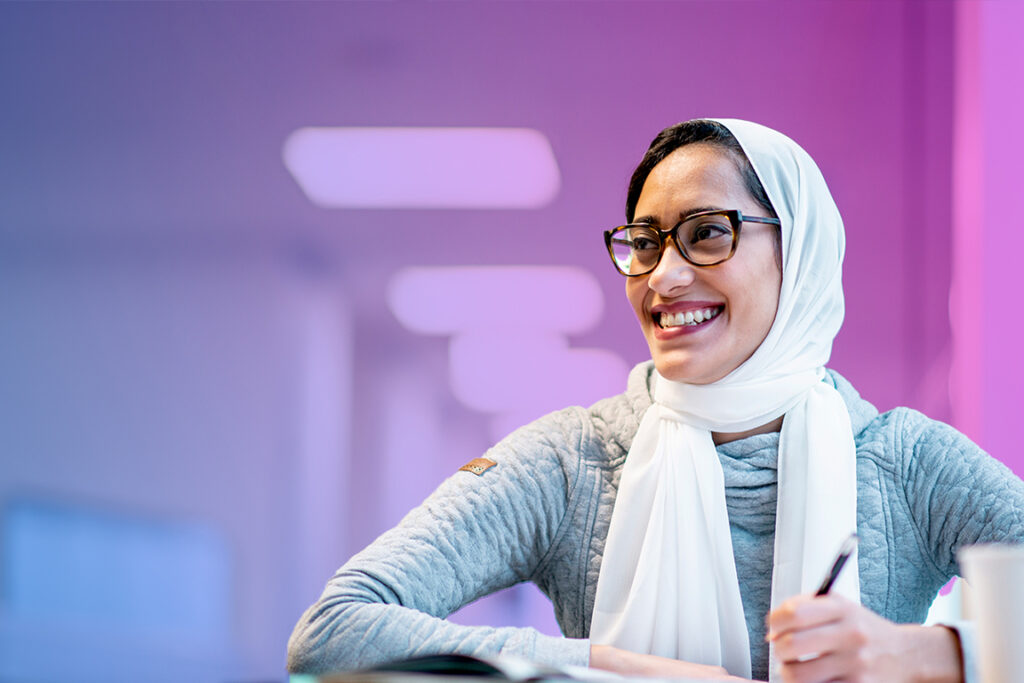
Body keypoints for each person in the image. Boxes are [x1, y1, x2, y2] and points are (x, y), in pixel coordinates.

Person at [287, 119, 1024, 683]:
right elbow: (332, 629)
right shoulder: (573, 460)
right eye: (644, 243)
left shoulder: (907, 462)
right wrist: (616, 669)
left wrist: (927, 653)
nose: (663, 277)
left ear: (797, 253)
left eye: (707, 233)